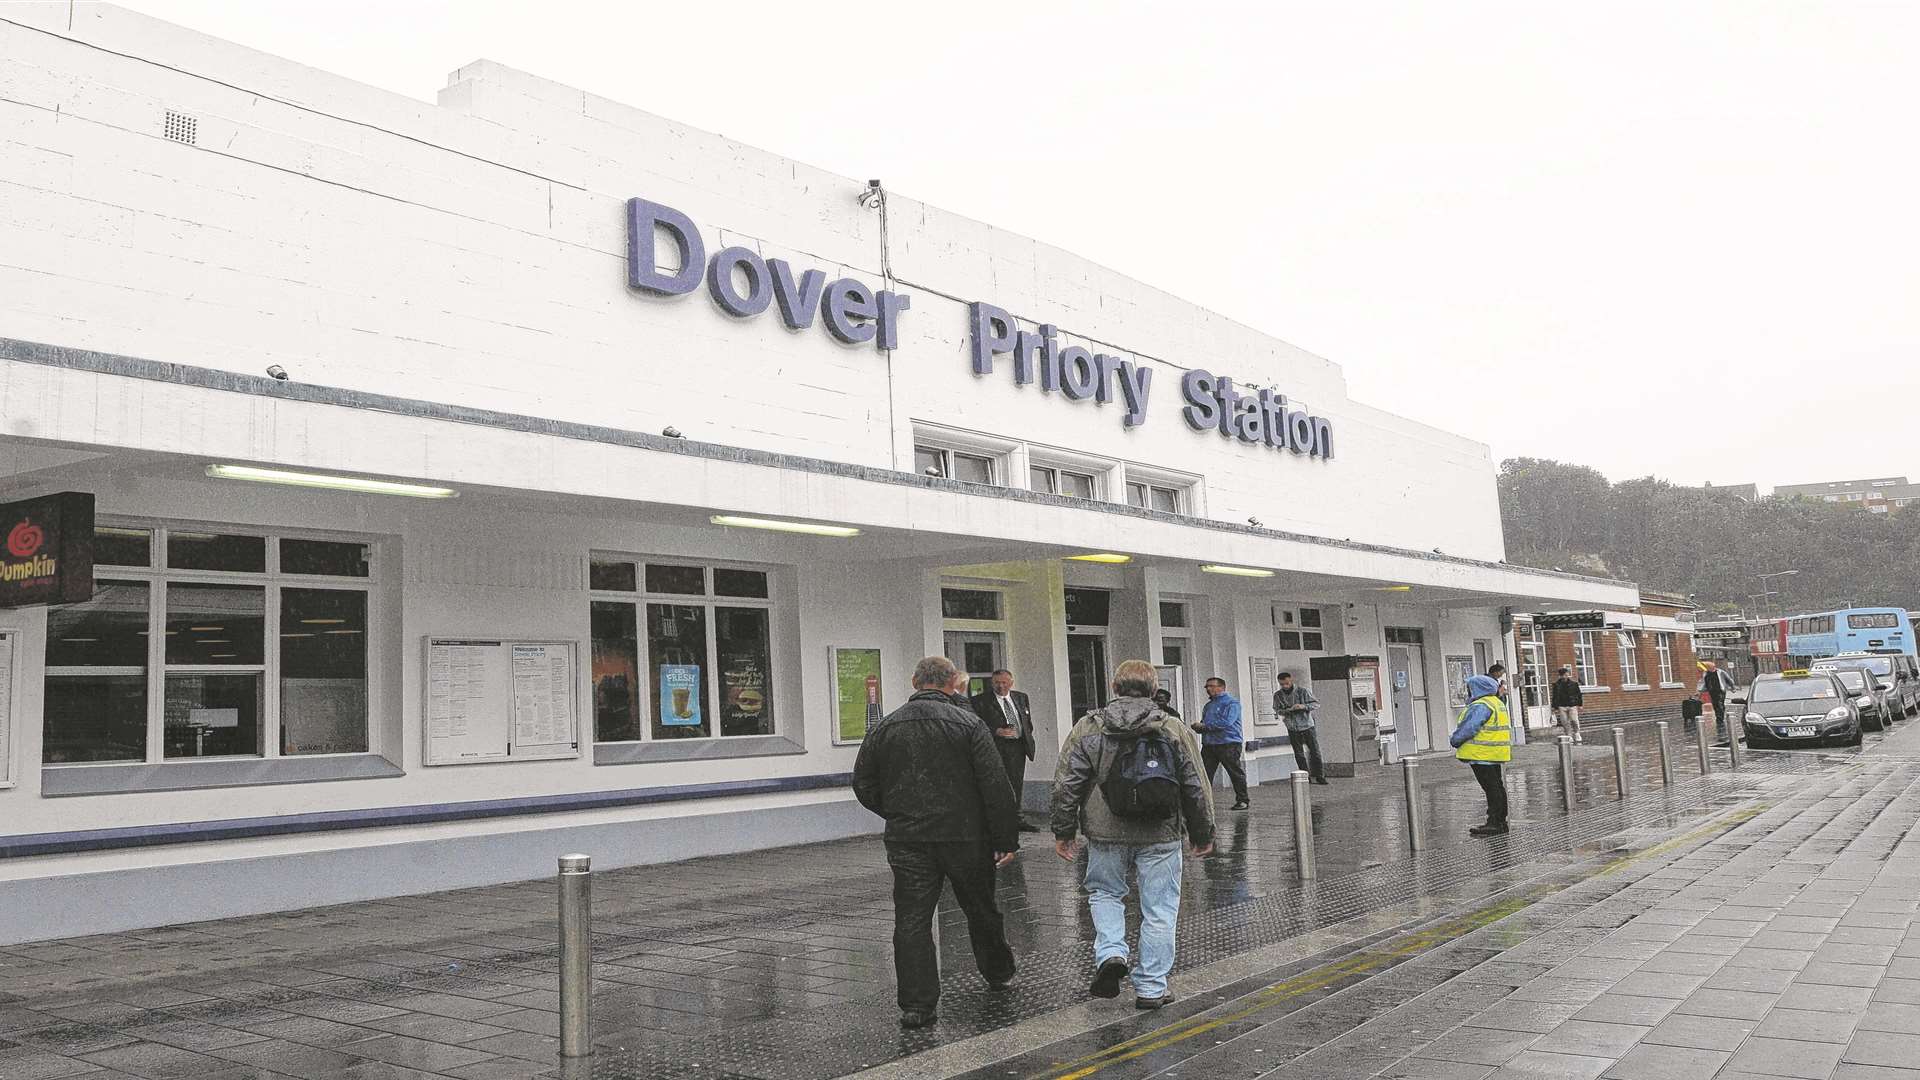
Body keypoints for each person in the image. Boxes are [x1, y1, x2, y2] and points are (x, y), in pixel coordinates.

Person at [852, 656, 1021, 1029]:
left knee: (911, 919)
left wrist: (896, 813)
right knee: (980, 909)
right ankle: (998, 971)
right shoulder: (970, 724)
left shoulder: (887, 726)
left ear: (914, 681)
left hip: (909, 838)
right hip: (966, 836)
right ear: (953, 684)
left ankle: (917, 1004)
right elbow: (995, 785)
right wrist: (1005, 837)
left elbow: (863, 783)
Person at [1051, 660, 1215, 1010]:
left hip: (1104, 831)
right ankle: (1152, 988)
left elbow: (1067, 783)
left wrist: (1064, 830)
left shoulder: (1089, 727)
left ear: (1114, 688)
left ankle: (1111, 953)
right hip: (1160, 832)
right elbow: (1195, 785)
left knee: (1105, 893)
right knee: (1159, 908)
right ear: (1155, 691)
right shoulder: (1172, 727)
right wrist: (1202, 831)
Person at [971, 669, 1040, 831]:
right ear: (991, 683)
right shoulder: (980, 701)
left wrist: (1024, 734)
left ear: (1011, 682)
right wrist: (997, 731)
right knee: (998, 784)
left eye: (1004, 682)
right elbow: (976, 725)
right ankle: (998, 821)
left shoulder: (1021, 697)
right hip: (996, 747)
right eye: (997, 682)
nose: (1001, 686)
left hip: (1018, 747)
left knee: (1016, 783)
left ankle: (1017, 819)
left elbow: (1027, 721)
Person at [1450, 673, 1511, 836]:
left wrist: (1455, 740)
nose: (1468, 691)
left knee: (1491, 788)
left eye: (1470, 688)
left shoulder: (1481, 705)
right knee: (1497, 787)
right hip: (1494, 753)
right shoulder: (1496, 702)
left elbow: (1470, 728)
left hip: (1481, 754)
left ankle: (1494, 822)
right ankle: (1500, 821)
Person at [1193, 677, 1249, 811]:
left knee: (1235, 772)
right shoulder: (1208, 705)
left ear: (1221, 687)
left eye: (1211, 686)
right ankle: (1204, 800)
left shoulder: (1231, 703)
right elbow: (1206, 722)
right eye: (1207, 687)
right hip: (1209, 744)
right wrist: (1200, 727)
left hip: (1228, 743)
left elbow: (1227, 722)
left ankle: (1243, 800)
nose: (1208, 689)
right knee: (1204, 774)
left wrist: (1204, 726)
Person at [1272, 671, 1327, 784]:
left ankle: (1319, 775)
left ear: (1291, 681)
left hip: (1307, 725)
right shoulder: (1278, 695)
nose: (1284, 686)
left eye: (1286, 683)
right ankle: (1305, 776)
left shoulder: (1303, 691)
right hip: (1292, 727)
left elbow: (1316, 704)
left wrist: (1303, 706)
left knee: (1315, 751)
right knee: (1298, 753)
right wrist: (1288, 710)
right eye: (1282, 684)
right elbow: (1277, 710)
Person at [1699, 661, 1736, 745]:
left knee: (1720, 703)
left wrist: (1732, 687)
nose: (1707, 668)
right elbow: (1704, 683)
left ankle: (1720, 718)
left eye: (1708, 667)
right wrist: (1700, 691)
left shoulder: (1721, 672)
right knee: (1715, 704)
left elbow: (1728, 679)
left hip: (1720, 691)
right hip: (1712, 691)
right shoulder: (1706, 674)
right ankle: (1719, 716)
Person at [1551, 665, 1584, 744]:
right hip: (1561, 705)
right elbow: (1555, 696)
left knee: (1574, 720)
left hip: (1572, 705)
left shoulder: (1574, 684)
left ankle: (1577, 733)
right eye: (1565, 674)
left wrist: (1580, 704)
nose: (1566, 676)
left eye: (1567, 674)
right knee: (1565, 722)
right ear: (1561, 675)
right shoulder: (1556, 685)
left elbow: (1578, 694)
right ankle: (1569, 735)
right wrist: (1554, 707)